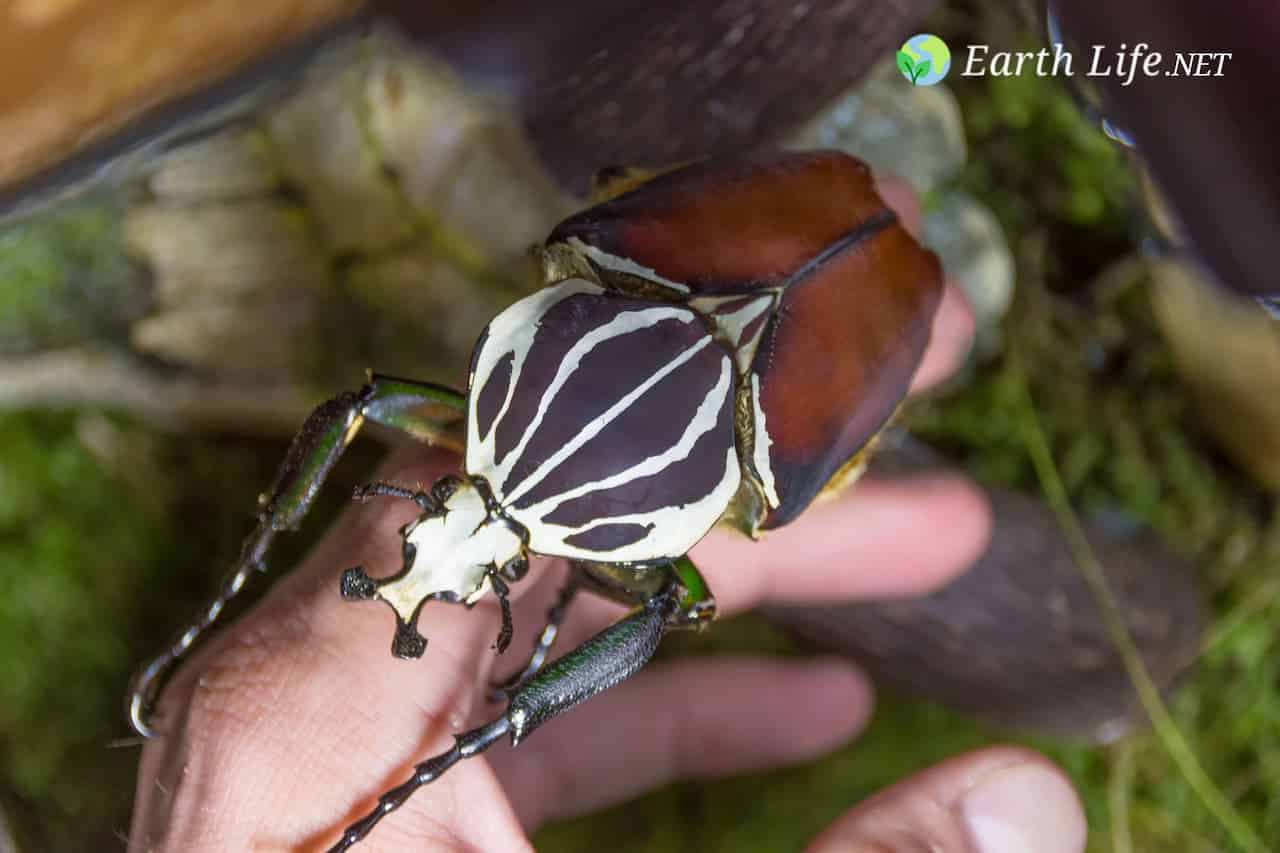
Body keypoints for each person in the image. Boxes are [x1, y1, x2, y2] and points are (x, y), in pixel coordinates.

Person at [128, 181, 1087, 853]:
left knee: (671, 588)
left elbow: (358, 405)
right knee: (677, 594)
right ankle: (486, 717)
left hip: (794, 276)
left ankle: (481, 717)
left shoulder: (594, 278)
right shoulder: (603, 270)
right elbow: (676, 595)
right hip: (787, 284)